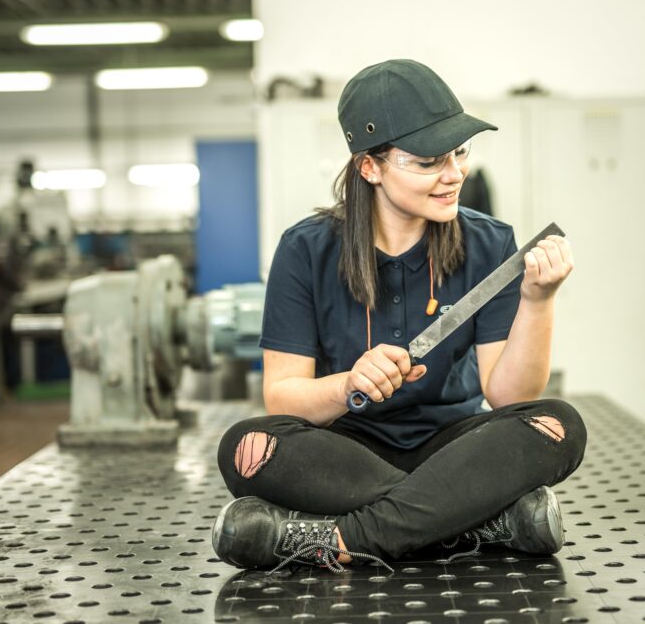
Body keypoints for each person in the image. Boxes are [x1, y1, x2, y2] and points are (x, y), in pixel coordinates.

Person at [212, 59, 587, 572]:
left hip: (454, 451)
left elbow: (509, 399)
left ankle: (341, 540)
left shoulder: (490, 242)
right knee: (247, 446)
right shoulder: (305, 250)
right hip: (343, 453)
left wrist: (538, 302)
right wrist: (346, 385)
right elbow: (283, 398)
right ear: (371, 167)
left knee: (558, 424)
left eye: (459, 152)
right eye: (430, 161)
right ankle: (472, 522)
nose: (455, 174)